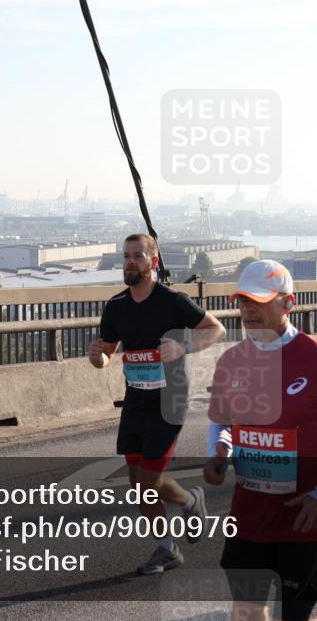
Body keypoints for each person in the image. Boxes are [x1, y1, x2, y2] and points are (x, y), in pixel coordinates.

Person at [206, 260, 317, 621]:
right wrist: (218, 449)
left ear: (288, 304)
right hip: (248, 519)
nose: (249, 310)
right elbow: (221, 422)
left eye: (260, 300)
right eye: (243, 301)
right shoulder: (231, 362)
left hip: (305, 524)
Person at [90, 233, 227, 575]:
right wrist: (98, 359)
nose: (130, 262)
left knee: (149, 481)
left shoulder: (171, 301)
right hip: (135, 400)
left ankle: (188, 505)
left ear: (153, 262)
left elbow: (216, 330)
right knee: (138, 484)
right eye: (126, 256)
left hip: (169, 400)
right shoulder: (116, 306)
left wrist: (184, 347)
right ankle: (170, 541)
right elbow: (106, 353)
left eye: (137, 256)